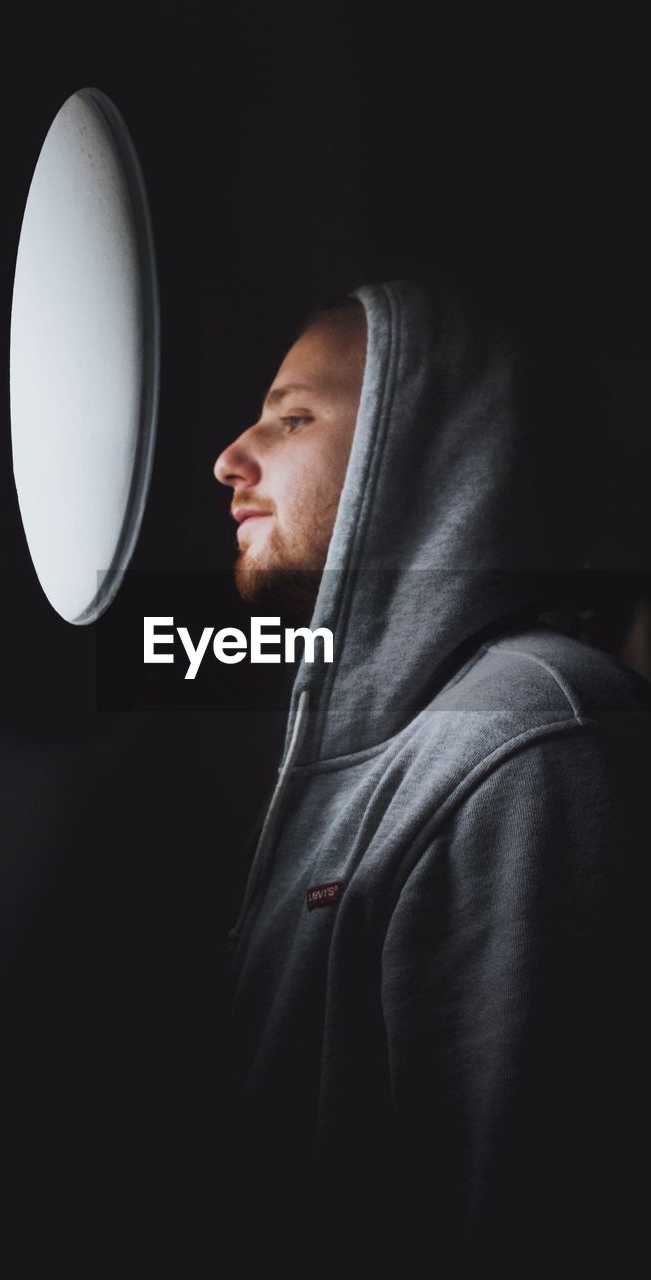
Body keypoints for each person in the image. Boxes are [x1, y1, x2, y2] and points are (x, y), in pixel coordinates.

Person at [212, 280, 650, 1264]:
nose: (229, 458)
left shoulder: (534, 740)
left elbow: (542, 1213)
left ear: (419, 454)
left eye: (290, 417)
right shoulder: (367, 737)